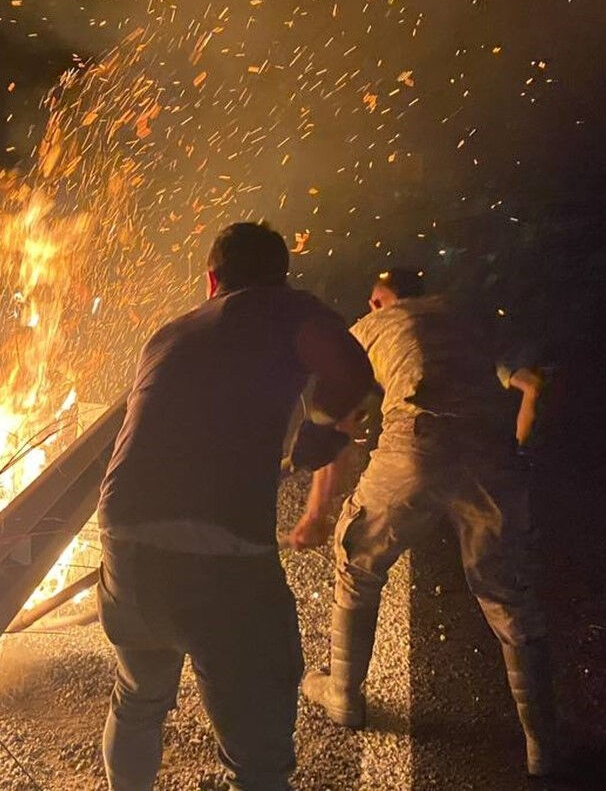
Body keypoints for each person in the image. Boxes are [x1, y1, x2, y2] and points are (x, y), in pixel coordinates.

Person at [96, 222, 375, 791]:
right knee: (257, 752)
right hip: (219, 554)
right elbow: (351, 371)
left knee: (138, 698)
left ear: (211, 279)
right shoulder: (286, 308)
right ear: (281, 274)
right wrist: (323, 429)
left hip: (123, 535)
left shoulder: (170, 331)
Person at [289, 266, 560, 777]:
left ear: (378, 300)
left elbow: (338, 422)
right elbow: (534, 387)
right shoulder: (468, 320)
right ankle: (542, 747)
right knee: (509, 597)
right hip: (490, 455)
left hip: (414, 445)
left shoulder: (371, 326)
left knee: (357, 562)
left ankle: (344, 696)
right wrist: (517, 452)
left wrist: (317, 513)